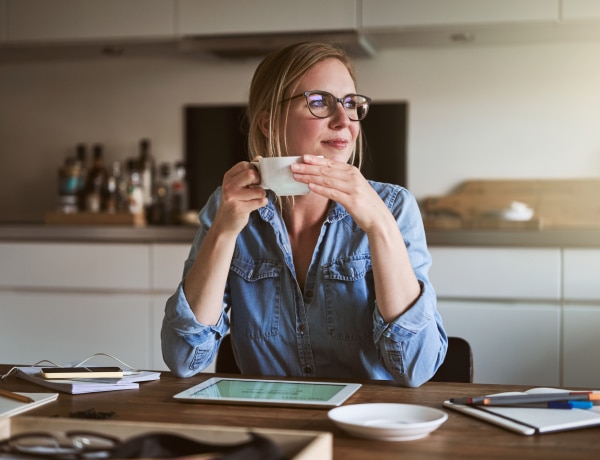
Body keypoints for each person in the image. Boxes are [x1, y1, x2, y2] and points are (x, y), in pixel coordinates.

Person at [161, 42, 447, 387]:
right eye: (319, 103)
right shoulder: (228, 208)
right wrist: (223, 232)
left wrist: (380, 225)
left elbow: (416, 368)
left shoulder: (394, 206)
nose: (344, 121)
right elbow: (183, 359)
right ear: (268, 122)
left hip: (368, 424)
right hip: (269, 427)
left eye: (350, 104)